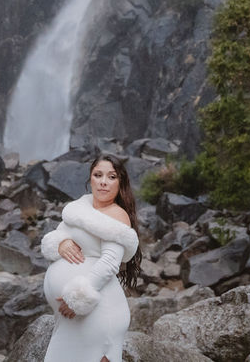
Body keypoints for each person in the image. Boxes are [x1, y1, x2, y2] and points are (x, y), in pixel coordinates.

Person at [40, 153, 142, 362]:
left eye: (112, 177)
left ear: (120, 182)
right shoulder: (80, 209)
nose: (104, 182)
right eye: (98, 175)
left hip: (98, 311)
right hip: (72, 317)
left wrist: (77, 298)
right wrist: (61, 243)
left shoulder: (116, 215)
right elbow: (60, 236)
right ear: (90, 179)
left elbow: (110, 263)